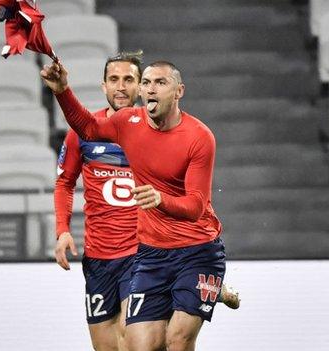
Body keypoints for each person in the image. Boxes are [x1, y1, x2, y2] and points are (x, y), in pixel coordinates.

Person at [48, 55, 237, 351]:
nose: (147, 88)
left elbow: (196, 206)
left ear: (178, 91)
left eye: (157, 82)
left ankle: (203, 286)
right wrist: (62, 90)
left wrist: (160, 200)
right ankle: (207, 290)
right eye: (147, 82)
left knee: (175, 340)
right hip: (134, 255)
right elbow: (82, 138)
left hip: (174, 250)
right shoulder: (123, 125)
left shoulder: (199, 137)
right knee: (129, 347)